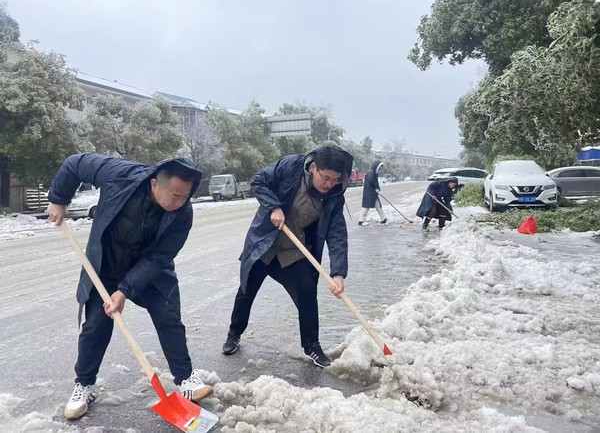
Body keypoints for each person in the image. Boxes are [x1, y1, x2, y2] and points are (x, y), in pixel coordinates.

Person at [46, 153, 209, 420]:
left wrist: (124, 291)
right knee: (96, 325)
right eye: (175, 196)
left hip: (150, 270)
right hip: (106, 266)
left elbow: (159, 257)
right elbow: (74, 163)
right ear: (155, 184)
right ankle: (84, 384)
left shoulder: (182, 214)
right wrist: (58, 198)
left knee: (168, 318)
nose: (180, 203)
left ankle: (186, 379)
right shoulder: (119, 174)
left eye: (186, 197)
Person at [221, 144, 353, 367]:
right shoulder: (291, 167)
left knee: (307, 291)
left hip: (293, 249)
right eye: (326, 178)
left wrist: (338, 273)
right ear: (313, 168)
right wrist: (274, 207)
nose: (329, 184)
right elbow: (258, 181)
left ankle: (312, 346)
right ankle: (234, 334)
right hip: (265, 242)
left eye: (335, 179)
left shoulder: (335, 194)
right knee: (247, 290)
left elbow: (337, 233)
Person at [358, 160, 386, 225]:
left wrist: (379, 190)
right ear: (376, 166)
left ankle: (383, 219)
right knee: (366, 207)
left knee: (378, 206)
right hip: (369, 193)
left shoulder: (374, 173)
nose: (380, 169)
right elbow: (372, 181)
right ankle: (360, 221)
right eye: (379, 167)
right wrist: (376, 189)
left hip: (373, 194)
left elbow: (376, 183)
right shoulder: (370, 173)